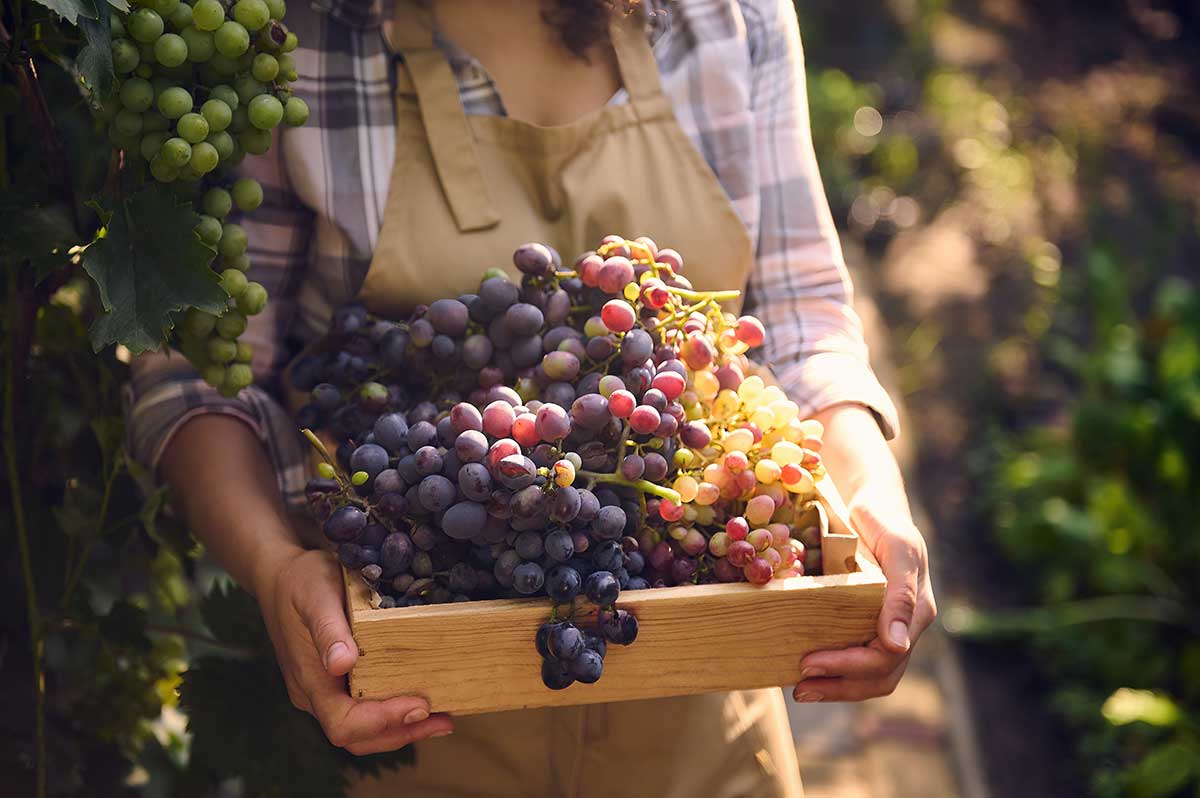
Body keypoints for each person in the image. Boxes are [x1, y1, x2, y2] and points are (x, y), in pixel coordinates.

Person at [129, 0, 937, 795]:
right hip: (406, 726)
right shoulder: (293, 41)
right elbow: (199, 375)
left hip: (704, 733)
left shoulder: (735, 19)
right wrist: (275, 570)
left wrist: (873, 496)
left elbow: (803, 327)